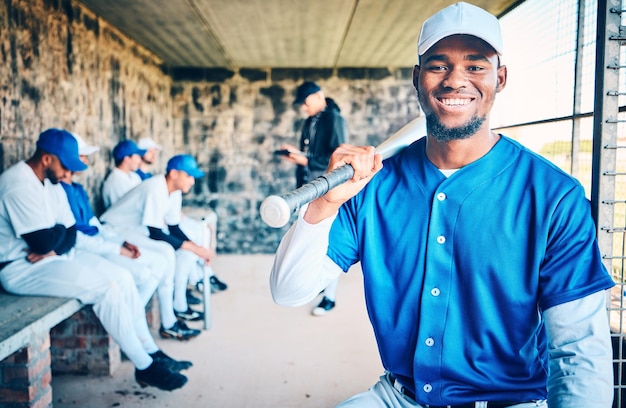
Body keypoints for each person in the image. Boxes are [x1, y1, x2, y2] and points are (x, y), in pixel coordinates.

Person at [270, 3, 615, 407]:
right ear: (417, 79)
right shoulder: (373, 187)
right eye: (438, 66)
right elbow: (288, 291)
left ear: (499, 78)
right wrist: (326, 203)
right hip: (399, 397)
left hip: (512, 400)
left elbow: (579, 355)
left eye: (475, 66)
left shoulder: (554, 196)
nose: (455, 80)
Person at [0, 128, 191, 391]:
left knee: (123, 277)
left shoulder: (50, 183)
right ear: (46, 158)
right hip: (20, 268)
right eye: (65, 165)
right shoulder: (18, 182)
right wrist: (54, 238)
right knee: (105, 288)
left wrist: (53, 241)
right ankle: (145, 365)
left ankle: (149, 351)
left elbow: (68, 235)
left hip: (53, 258)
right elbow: (44, 241)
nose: (70, 172)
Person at [60, 133, 200, 341]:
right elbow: (154, 231)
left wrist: (194, 247)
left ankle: (163, 315)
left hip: (117, 234)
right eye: (81, 156)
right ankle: (141, 320)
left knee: (163, 260)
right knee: (154, 264)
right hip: (116, 232)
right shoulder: (131, 181)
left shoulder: (78, 189)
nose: (86, 161)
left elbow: (92, 225)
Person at [100, 154, 216, 322]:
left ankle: (173, 313)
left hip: (135, 230)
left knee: (177, 253)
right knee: (167, 253)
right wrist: (195, 248)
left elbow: (173, 227)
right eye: (188, 175)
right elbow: (156, 232)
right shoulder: (156, 186)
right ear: (174, 173)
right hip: (113, 231)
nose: (192, 181)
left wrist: (198, 249)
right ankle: (158, 319)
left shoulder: (174, 191)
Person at [279, 80, 348, 316]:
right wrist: (299, 157)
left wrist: (306, 160)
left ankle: (329, 297)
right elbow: (311, 153)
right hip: (309, 186)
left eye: (306, 103)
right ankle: (315, 283)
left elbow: (338, 156)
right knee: (310, 237)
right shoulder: (310, 120)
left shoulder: (334, 119)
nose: (304, 108)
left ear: (319, 96)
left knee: (328, 239)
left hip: (327, 188)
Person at [101, 139, 146, 209]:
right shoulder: (114, 181)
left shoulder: (134, 176)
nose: (140, 160)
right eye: (137, 157)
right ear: (126, 158)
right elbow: (125, 209)